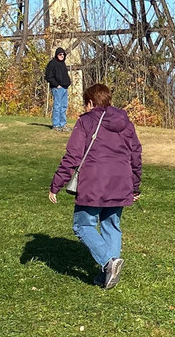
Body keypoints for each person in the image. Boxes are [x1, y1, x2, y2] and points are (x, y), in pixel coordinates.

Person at [48, 83, 142, 289]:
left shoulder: (86, 122)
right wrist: (135, 185)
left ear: (90, 102)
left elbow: (73, 156)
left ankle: (109, 262)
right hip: (121, 181)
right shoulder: (126, 123)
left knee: (82, 225)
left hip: (94, 183)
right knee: (111, 225)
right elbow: (136, 154)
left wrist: (56, 184)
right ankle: (108, 274)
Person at [44, 47, 71, 131]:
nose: (62, 56)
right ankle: (56, 125)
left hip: (64, 88)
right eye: (60, 54)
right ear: (56, 55)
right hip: (57, 88)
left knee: (63, 107)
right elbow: (48, 77)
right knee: (57, 106)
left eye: (63, 54)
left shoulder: (63, 64)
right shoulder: (52, 64)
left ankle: (63, 125)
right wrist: (56, 85)